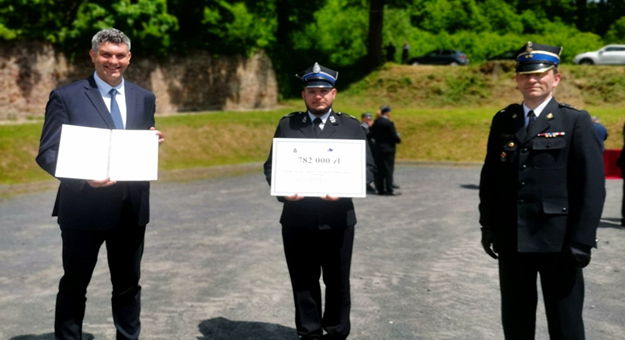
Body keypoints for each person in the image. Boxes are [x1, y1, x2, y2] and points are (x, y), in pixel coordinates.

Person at [36, 28, 164, 340]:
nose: (113, 61)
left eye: (120, 55)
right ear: (93, 55)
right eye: (106, 54)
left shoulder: (144, 98)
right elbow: (47, 153)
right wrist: (81, 177)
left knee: (128, 285)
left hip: (130, 209)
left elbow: (135, 143)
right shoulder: (65, 96)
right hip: (82, 209)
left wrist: (152, 143)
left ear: (129, 58)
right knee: (75, 284)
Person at [479, 42, 605, 339]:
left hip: (559, 242)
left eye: (540, 74)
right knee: (516, 320)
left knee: (565, 322)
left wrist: (582, 240)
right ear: (517, 80)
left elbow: (591, 186)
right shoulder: (503, 120)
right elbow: (490, 180)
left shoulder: (575, 121)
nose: (532, 80)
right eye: (525, 74)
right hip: (512, 240)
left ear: (556, 78)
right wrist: (488, 226)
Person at [263, 62, 375, 340]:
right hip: (297, 218)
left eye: (324, 90)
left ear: (334, 94)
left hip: (338, 218)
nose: (318, 96)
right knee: (303, 280)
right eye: (312, 90)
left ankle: (336, 332)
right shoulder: (288, 125)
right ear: (304, 94)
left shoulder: (350, 127)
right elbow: (271, 166)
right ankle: (310, 333)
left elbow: (369, 169)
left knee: (337, 280)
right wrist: (283, 190)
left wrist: (347, 188)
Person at [370, 105, 401, 196]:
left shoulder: (376, 122)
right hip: (388, 149)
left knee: (380, 169)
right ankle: (389, 189)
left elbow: (371, 134)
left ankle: (380, 189)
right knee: (388, 169)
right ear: (387, 112)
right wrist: (398, 139)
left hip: (378, 149)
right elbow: (394, 136)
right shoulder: (388, 123)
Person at [361, 112, 377, 194]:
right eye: (367, 118)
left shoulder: (372, 126)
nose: (368, 120)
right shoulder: (361, 126)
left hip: (373, 149)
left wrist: (372, 127)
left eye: (370, 118)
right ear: (363, 118)